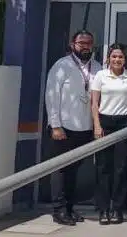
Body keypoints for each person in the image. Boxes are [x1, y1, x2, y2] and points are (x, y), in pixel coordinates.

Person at [44, 30, 101, 226]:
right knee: (60, 171)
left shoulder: (97, 68)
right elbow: (52, 96)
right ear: (72, 44)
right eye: (81, 43)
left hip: (85, 128)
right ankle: (58, 210)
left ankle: (69, 207)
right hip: (64, 128)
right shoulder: (62, 66)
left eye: (89, 43)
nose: (85, 46)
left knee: (74, 171)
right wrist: (55, 125)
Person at [89, 43, 127, 225]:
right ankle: (103, 209)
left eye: (120, 57)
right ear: (108, 59)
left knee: (121, 168)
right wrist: (97, 125)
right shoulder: (100, 76)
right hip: (105, 122)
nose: (117, 60)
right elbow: (94, 103)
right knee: (103, 167)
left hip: (125, 122)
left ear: (125, 59)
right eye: (114, 56)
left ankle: (117, 209)